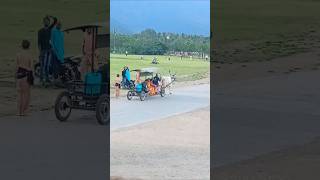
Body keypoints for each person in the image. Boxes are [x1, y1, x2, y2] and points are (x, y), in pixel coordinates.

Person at [38, 15, 57, 84]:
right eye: (45, 21)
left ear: (49, 22)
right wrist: (40, 52)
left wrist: (51, 16)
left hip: (49, 49)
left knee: (47, 65)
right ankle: (41, 79)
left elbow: (55, 20)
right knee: (42, 65)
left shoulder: (50, 29)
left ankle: (46, 78)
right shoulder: (40, 31)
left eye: (48, 21)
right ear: (43, 22)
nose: (46, 22)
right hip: (43, 50)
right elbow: (39, 42)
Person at [16, 40, 33, 116]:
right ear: (29, 46)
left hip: (19, 74)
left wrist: (15, 76)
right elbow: (31, 67)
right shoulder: (29, 55)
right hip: (26, 74)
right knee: (26, 94)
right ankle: (24, 111)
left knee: (20, 94)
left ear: (22, 46)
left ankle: (18, 112)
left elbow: (16, 66)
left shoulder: (18, 54)